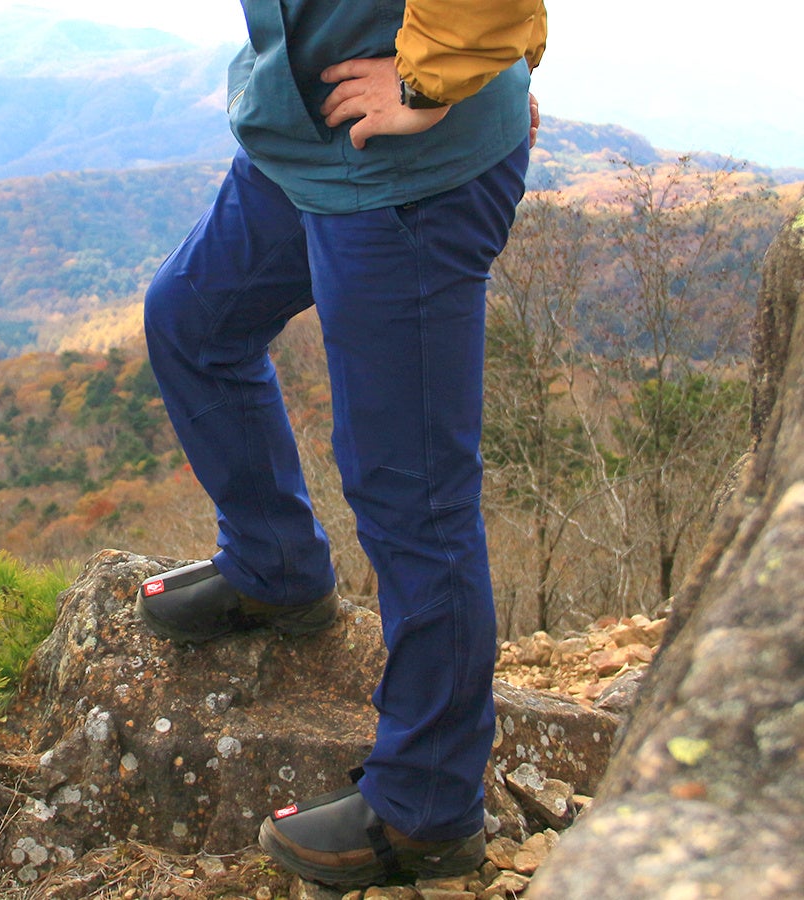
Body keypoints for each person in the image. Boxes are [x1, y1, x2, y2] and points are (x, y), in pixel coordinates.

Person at [134, 0, 546, 889]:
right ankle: (277, 569)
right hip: (304, 141)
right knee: (192, 318)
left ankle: (428, 807)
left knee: (411, 491)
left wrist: (443, 75)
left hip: (409, 171)